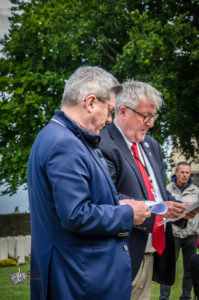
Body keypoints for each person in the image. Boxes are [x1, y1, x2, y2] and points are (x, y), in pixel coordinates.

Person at [27, 66, 151, 300]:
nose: (108, 120)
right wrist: (126, 214)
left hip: (80, 276)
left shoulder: (67, 138)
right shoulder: (64, 143)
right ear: (91, 102)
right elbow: (76, 214)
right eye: (109, 111)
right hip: (78, 280)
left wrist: (121, 203)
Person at [99, 80, 192, 300]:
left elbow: (159, 193)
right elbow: (107, 196)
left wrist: (179, 208)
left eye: (153, 117)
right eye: (146, 116)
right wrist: (159, 208)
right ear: (123, 111)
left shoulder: (152, 146)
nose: (151, 123)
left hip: (152, 251)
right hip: (123, 250)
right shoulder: (103, 144)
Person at [160, 162, 199, 300]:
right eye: (182, 172)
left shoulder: (196, 191)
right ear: (176, 173)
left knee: (189, 269)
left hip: (191, 236)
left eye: (187, 173)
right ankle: (164, 298)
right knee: (167, 267)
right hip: (172, 235)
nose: (185, 175)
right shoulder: (167, 189)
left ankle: (186, 297)